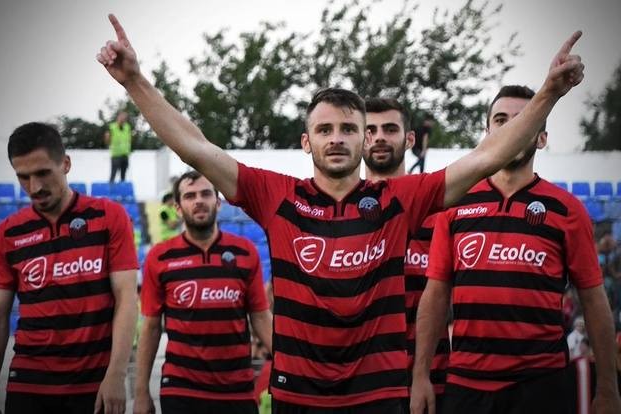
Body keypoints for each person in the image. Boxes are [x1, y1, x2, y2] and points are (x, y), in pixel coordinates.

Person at [97, 14, 584, 412]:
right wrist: (135, 82)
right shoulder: (275, 195)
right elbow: (195, 147)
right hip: (296, 395)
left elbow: (487, 157)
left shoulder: (399, 200)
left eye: (349, 129)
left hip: (379, 396)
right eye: (325, 130)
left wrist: (548, 94)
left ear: (363, 139)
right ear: (306, 142)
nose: (336, 138)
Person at [411, 85, 621, 414]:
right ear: (487, 133)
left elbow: (594, 300)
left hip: (541, 386)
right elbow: (435, 294)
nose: (512, 128)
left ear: (541, 137)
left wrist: (608, 389)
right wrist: (420, 375)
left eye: (524, 120)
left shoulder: (567, 210)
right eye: (501, 120)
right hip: (467, 385)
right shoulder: (455, 206)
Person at [0, 123, 138, 414]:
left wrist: (116, 374)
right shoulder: (8, 233)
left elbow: (127, 299)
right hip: (29, 385)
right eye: (23, 177)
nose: (34, 187)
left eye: (43, 173)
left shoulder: (109, 216)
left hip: (94, 386)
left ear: (65, 164)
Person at [133, 170, 272, 414]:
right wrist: (141, 391)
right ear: (178, 208)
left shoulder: (245, 252)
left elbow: (260, 318)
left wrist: (293, 368)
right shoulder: (160, 257)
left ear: (218, 203)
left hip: (236, 389)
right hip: (181, 390)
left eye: (206, 194)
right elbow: (151, 327)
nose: (198, 200)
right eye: (190, 196)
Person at [363, 97, 449, 406]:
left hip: (430, 381)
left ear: (410, 139)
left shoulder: (439, 216)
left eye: (389, 129)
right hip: (362, 384)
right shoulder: (340, 214)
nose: (379, 137)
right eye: (370, 130)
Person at [104, 111, 133, 183]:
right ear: (118, 117)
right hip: (116, 155)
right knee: (113, 174)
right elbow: (107, 139)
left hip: (125, 154)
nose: (123, 119)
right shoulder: (112, 127)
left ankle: (122, 189)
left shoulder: (127, 127)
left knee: (123, 175)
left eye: (125, 117)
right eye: (122, 117)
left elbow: (129, 138)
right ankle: (111, 188)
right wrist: (108, 140)